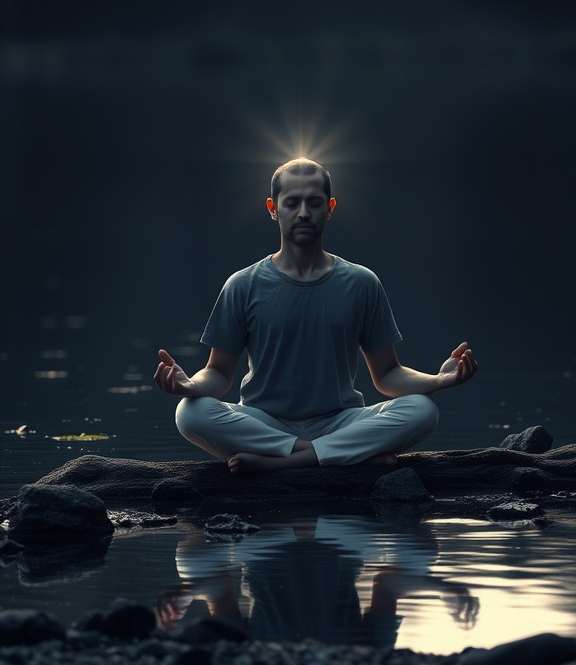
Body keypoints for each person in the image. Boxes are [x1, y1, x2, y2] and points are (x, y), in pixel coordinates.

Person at [154, 158, 477, 473]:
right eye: (292, 203)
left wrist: (439, 380)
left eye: (314, 202)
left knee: (423, 410)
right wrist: (189, 384)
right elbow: (219, 375)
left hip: (340, 421)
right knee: (190, 412)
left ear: (330, 208)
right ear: (272, 209)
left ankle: (291, 460)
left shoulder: (361, 282)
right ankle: (343, 457)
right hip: (264, 422)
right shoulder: (242, 285)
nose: (304, 213)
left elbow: (388, 374)